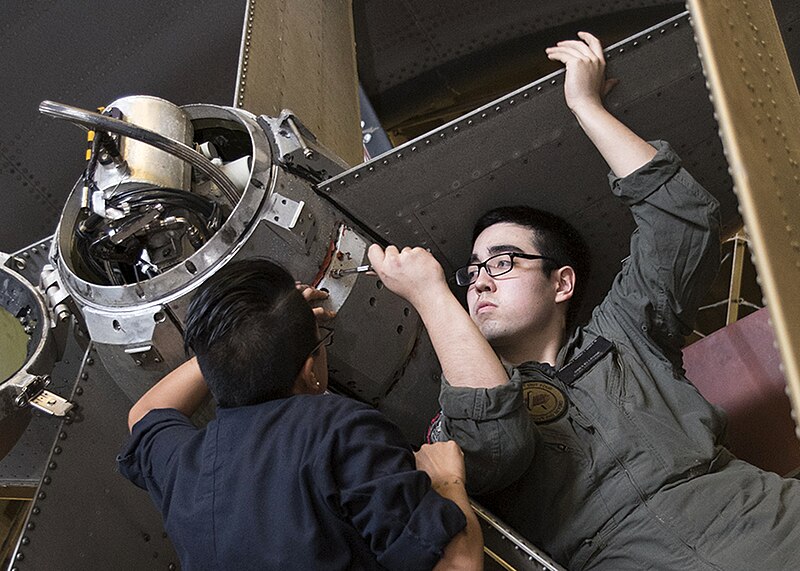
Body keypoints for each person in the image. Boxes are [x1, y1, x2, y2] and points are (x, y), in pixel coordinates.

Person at [367, 32, 800, 570]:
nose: (478, 282)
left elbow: (683, 221)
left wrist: (586, 106)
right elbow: (496, 440)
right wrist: (431, 294)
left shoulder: (623, 336)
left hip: (770, 527)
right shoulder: (455, 416)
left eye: (502, 262)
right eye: (471, 272)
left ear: (562, 283)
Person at [117, 259, 483, 570]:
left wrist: (238, 342)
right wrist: (447, 480)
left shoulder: (184, 468)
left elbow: (145, 412)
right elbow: (458, 565)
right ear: (310, 371)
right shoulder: (342, 431)